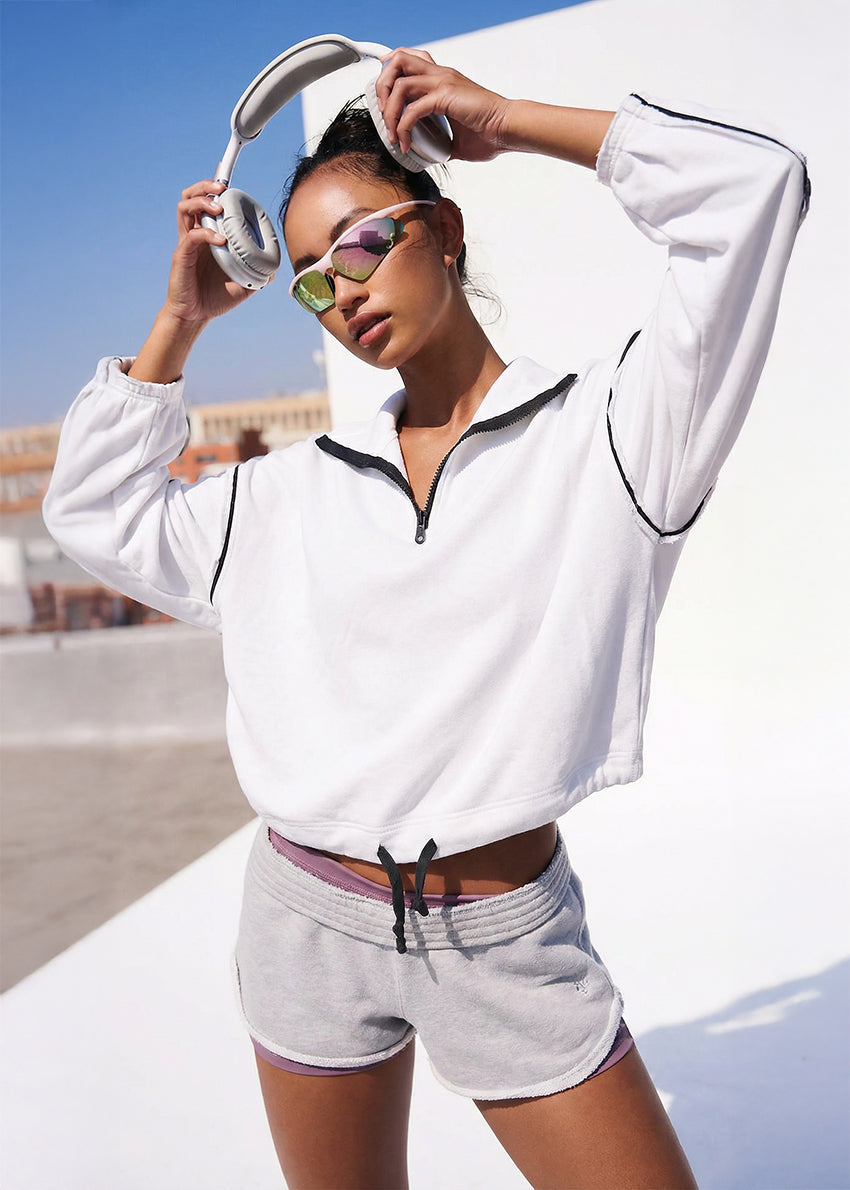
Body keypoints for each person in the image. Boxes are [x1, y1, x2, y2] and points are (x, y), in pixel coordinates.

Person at [43, 45, 808, 1190]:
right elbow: (94, 511)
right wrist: (179, 321)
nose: (342, 286)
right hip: (305, 918)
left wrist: (509, 119)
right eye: (310, 274)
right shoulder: (285, 492)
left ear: (442, 232)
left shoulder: (612, 436)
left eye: (364, 242)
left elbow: (755, 192)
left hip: (508, 942)